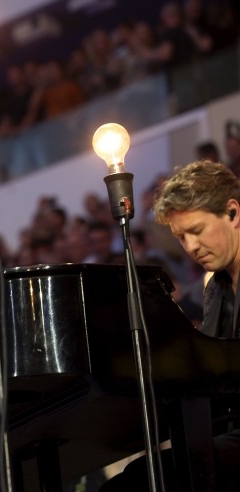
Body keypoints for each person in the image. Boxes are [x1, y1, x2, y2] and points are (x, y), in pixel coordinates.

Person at [103, 159, 240, 491]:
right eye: (181, 237)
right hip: (227, 429)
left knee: (135, 483)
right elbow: (206, 368)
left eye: (196, 230)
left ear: (233, 213)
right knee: (126, 480)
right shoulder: (216, 286)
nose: (191, 246)